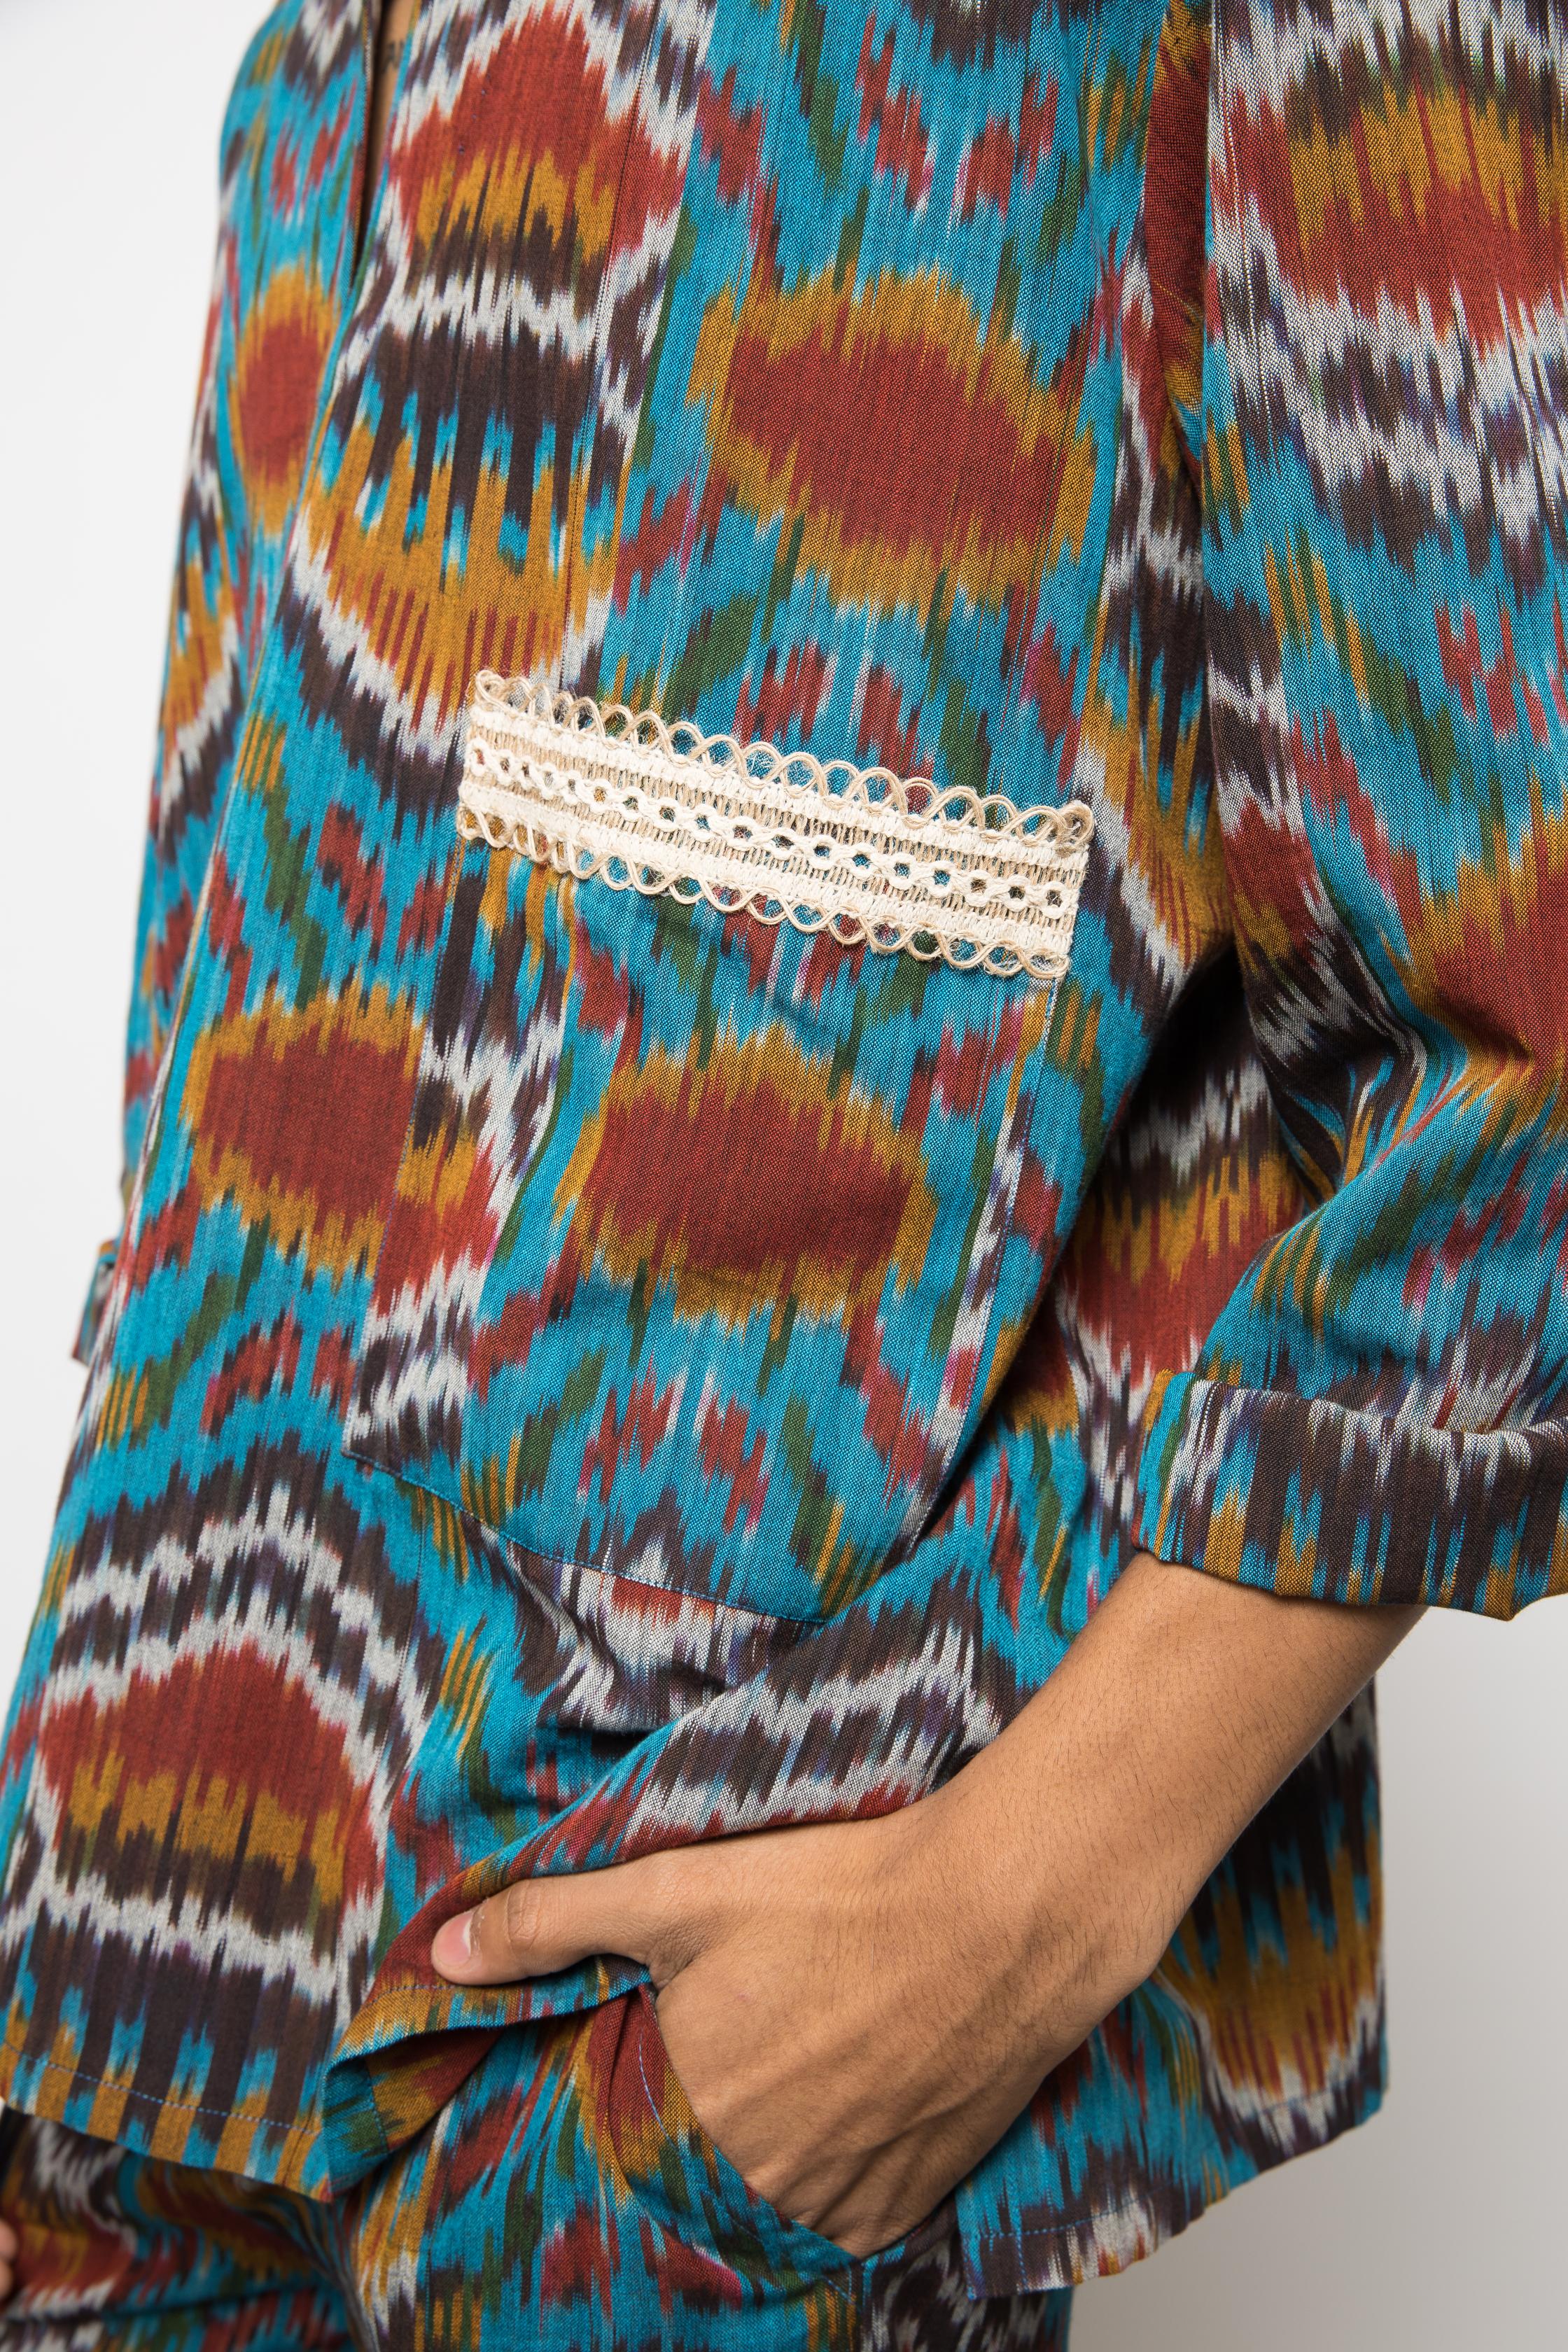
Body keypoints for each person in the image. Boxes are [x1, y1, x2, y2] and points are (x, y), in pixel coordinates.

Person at [0, 0, 1560, 2342]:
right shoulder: (323, 55)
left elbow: (1533, 1046)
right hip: (125, 1987)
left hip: (636, 2079)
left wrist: (1010, 1923)